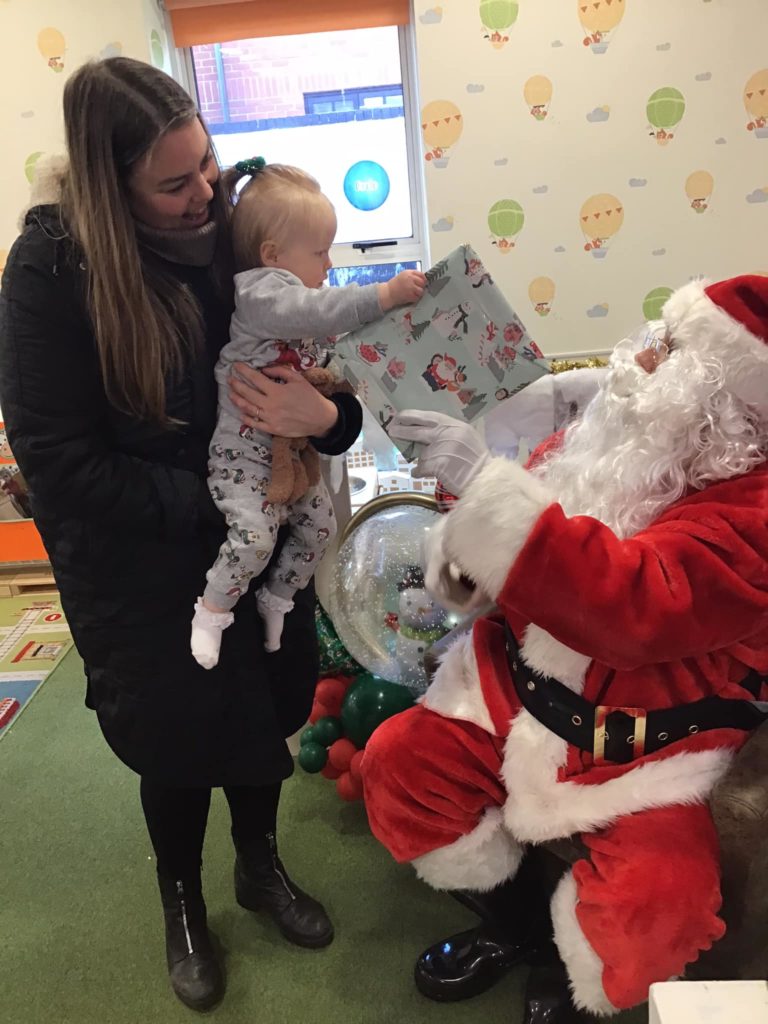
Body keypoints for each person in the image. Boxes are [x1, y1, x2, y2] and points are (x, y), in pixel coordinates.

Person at [0, 57, 365, 1013]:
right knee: (176, 742)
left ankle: (258, 865)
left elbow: (330, 371)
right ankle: (184, 903)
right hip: (141, 568)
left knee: (265, 712)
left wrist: (328, 423)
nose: (205, 191)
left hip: (260, 533)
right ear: (107, 184)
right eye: (174, 183)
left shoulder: (232, 228)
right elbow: (60, 464)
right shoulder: (50, 271)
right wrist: (231, 499)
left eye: (206, 162)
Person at [361, 275, 768, 1020]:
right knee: (400, 768)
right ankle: (517, 926)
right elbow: (503, 560)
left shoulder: (756, 515)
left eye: (672, 350)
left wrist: (485, 489)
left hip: (645, 755)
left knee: (660, 904)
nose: (643, 358)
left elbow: (636, 603)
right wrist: (464, 553)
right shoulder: (614, 443)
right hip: (509, 694)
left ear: (728, 405)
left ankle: (575, 967)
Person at [191, 158, 425, 667]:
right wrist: (383, 294)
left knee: (320, 528)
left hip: (292, 455)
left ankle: (276, 598)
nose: (329, 265)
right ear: (272, 255)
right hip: (241, 456)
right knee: (254, 539)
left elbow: (335, 355)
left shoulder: (297, 305)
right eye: (320, 252)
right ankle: (211, 611)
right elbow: (318, 311)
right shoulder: (261, 293)